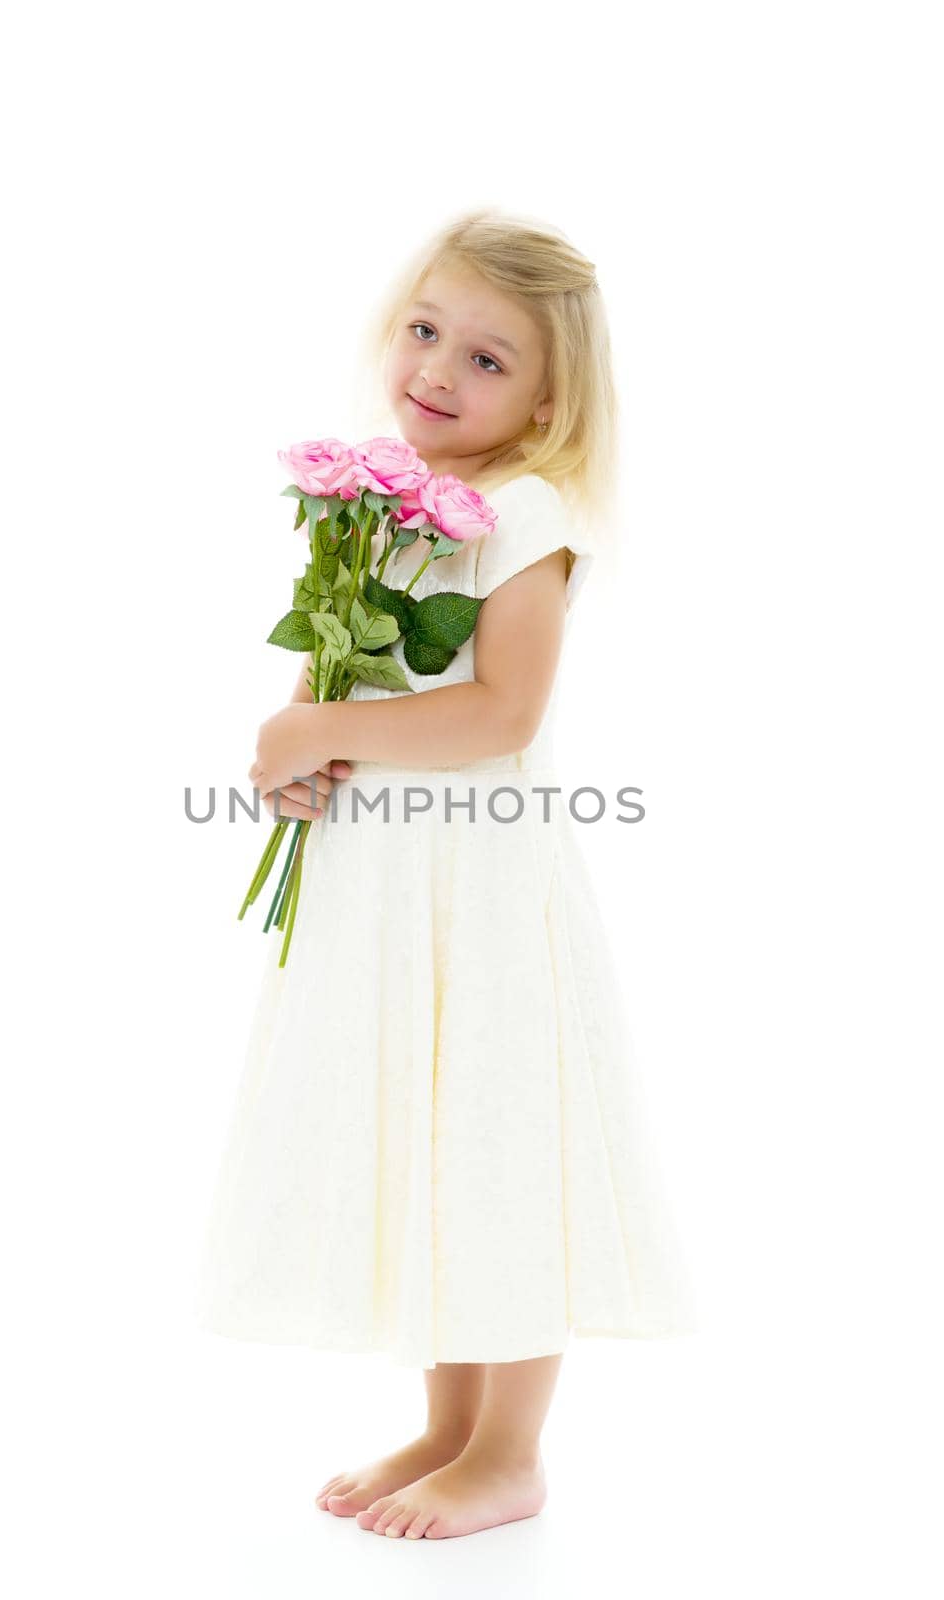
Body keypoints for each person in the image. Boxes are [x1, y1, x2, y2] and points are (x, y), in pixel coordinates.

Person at [195, 207, 698, 1541]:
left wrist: (326, 731)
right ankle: (449, 1420)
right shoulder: (376, 502)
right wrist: (293, 750)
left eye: (489, 360)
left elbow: (500, 715)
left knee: (494, 1136)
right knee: (428, 1138)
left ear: (547, 402)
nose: (439, 370)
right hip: (381, 883)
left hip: (477, 892)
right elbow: (340, 669)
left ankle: (512, 1450)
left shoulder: (522, 516)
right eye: (428, 331)